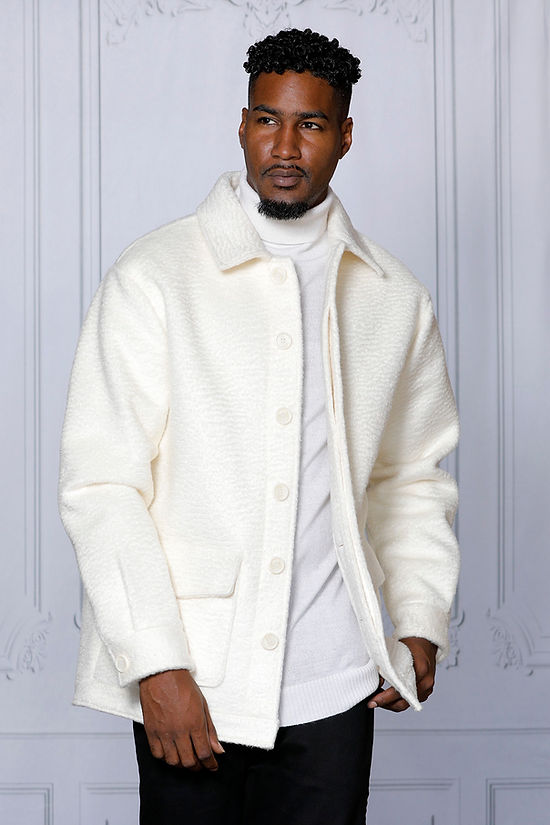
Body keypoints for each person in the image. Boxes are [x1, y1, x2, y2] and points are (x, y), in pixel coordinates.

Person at [58, 27, 460, 825]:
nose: (284, 145)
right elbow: (102, 484)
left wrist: (420, 614)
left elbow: (410, 476)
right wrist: (156, 665)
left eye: (310, 124)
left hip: (337, 687)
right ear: (242, 125)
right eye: (267, 120)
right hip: (194, 683)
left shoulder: (393, 297)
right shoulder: (155, 276)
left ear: (345, 135)